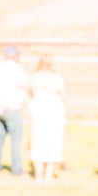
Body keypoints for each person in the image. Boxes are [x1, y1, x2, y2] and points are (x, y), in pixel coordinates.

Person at [0, 46, 30, 177]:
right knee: (16, 140)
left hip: (0, 108)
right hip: (12, 107)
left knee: (0, 139)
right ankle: (17, 169)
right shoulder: (16, 68)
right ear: (15, 56)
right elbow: (26, 84)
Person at [28, 55, 66, 183]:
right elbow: (63, 96)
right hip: (53, 112)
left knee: (37, 141)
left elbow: (30, 94)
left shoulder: (34, 77)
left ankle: (38, 175)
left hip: (38, 113)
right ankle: (48, 175)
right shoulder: (56, 78)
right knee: (53, 142)